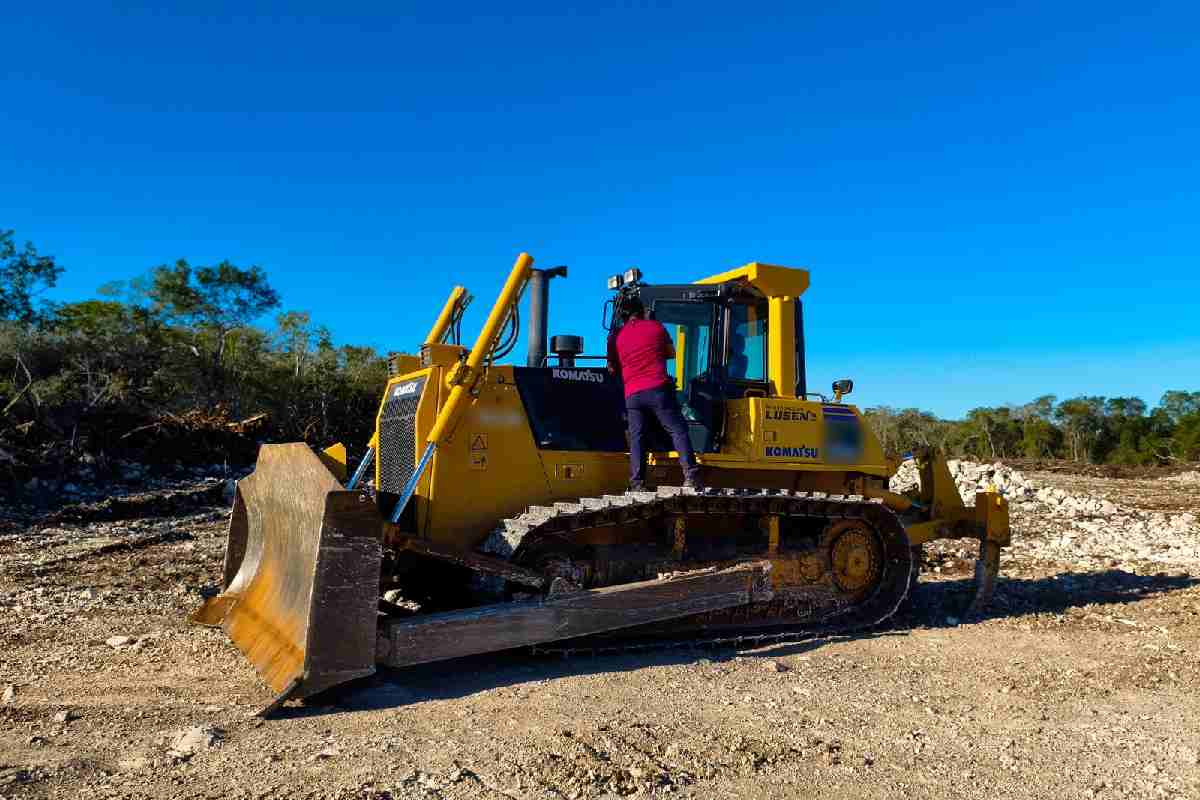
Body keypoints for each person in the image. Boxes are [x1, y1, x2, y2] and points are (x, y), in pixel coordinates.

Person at [607, 296, 703, 490]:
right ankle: (691, 475)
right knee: (677, 429)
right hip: (657, 388)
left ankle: (636, 483)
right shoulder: (656, 327)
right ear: (641, 311)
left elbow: (611, 367)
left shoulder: (617, 336)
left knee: (637, 437)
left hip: (633, 395)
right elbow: (671, 353)